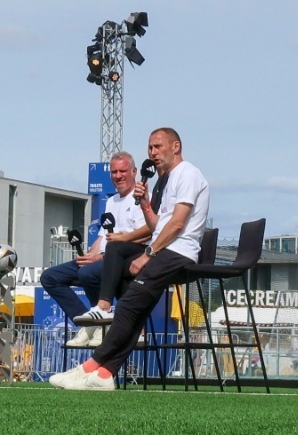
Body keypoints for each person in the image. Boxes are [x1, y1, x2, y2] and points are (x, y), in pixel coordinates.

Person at [50, 127, 209, 391]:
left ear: (176, 146)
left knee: (131, 303)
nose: (153, 152)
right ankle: (105, 369)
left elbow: (177, 225)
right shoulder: (165, 180)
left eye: (158, 146)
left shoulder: (188, 174)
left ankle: (90, 367)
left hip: (180, 252)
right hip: (167, 246)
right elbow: (160, 224)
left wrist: (148, 254)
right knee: (116, 249)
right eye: (150, 147)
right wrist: (146, 204)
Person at [40, 152, 148, 348]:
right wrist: (90, 254)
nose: (118, 176)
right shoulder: (111, 201)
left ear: (134, 172)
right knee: (50, 277)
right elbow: (101, 236)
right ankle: (90, 325)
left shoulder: (140, 199)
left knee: (89, 272)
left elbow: (146, 234)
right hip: (101, 257)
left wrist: (101, 257)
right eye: (114, 172)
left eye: (123, 171)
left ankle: (104, 320)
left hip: (122, 257)